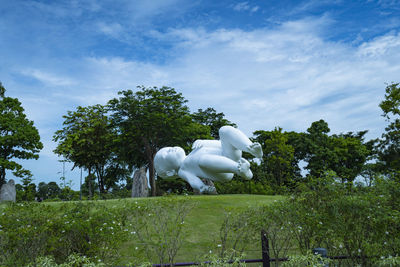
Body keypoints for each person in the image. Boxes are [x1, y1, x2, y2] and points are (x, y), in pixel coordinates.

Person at [154, 126, 263, 193]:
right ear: (170, 172)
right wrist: (202, 187)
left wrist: (204, 142)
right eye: (164, 155)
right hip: (223, 172)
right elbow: (193, 181)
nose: (169, 150)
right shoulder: (183, 169)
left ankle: (250, 148)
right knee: (202, 160)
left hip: (227, 154)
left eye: (167, 148)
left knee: (224, 130)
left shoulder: (194, 150)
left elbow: (219, 144)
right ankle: (239, 169)